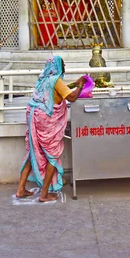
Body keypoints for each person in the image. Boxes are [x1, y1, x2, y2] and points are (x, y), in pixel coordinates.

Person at [16, 55, 86, 202]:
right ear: (59, 67)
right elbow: (71, 97)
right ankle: (44, 194)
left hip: (33, 115)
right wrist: (80, 86)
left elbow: (60, 89)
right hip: (45, 120)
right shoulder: (56, 81)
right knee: (52, 155)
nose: (64, 67)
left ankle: (21, 189)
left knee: (33, 152)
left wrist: (75, 83)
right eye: (63, 65)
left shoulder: (43, 79)